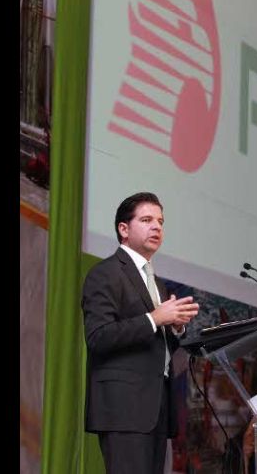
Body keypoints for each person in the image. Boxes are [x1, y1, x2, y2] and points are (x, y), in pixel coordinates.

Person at [83, 192, 199, 473]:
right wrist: (155, 317)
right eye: (146, 220)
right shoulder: (105, 273)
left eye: (160, 221)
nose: (157, 227)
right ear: (124, 229)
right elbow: (98, 336)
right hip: (124, 409)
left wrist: (176, 327)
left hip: (156, 407)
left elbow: (155, 341)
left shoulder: (155, 282)